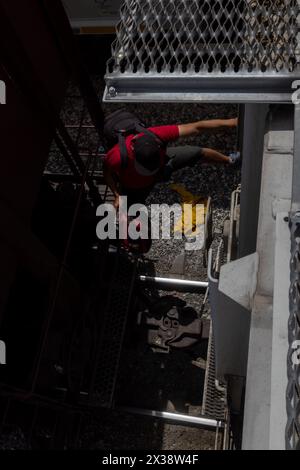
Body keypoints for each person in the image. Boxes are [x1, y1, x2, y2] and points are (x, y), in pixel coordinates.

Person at [104, 116, 239, 209]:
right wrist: (117, 195)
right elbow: (107, 173)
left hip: (162, 167)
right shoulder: (117, 156)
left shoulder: (155, 135)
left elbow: (197, 127)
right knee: (132, 213)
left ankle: (229, 160)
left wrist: (232, 122)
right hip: (134, 189)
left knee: (197, 153)